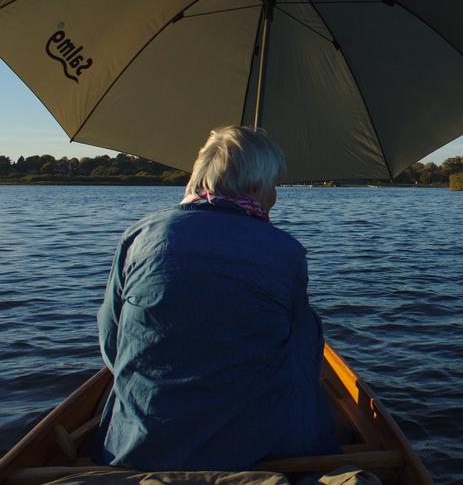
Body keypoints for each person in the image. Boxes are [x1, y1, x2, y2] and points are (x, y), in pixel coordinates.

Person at [94, 126, 339, 471]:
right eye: (274, 185)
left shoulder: (140, 236)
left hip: (139, 441)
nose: (274, 196)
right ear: (256, 186)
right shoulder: (286, 251)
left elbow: (111, 342)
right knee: (305, 326)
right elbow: (304, 357)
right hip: (260, 445)